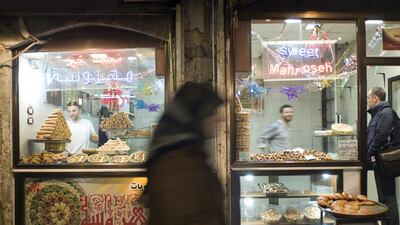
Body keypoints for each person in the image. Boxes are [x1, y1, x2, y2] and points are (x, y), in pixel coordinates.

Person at [145, 82, 226, 225]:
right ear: (196, 116)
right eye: (212, 113)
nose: (220, 119)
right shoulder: (177, 164)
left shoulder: (188, 153)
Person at [367, 87, 399, 225]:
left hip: (385, 162)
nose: (367, 101)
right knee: (383, 197)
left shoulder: (386, 113)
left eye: (368, 97)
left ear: (375, 98)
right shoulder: (379, 113)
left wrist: (368, 153)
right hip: (380, 161)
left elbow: (380, 137)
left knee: (387, 197)